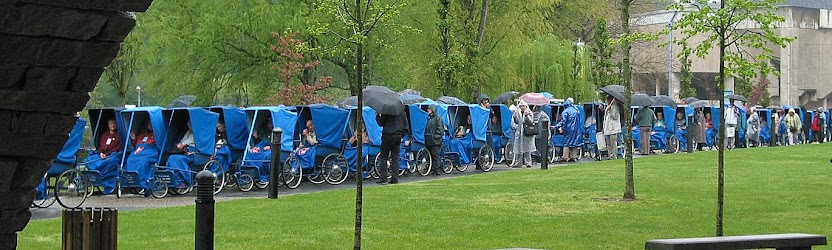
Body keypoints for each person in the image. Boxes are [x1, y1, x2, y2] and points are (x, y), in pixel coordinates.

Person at [83, 119, 122, 194]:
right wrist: (101, 153)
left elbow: (118, 148)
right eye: (111, 124)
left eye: (114, 123)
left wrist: (107, 154)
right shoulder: (105, 135)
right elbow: (101, 146)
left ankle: (104, 178)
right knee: (91, 159)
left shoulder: (119, 135)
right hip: (102, 154)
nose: (112, 125)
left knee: (111, 161)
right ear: (108, 125)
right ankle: (92, 176)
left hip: (113, 154)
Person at [125, 120, 159, 196]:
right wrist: (133, 139)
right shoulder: (142, 135)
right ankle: (133, 179)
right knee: (130, 159)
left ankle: (143, 182)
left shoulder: (157, 135)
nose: (150, 126)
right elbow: (136, 144)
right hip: (139, 151)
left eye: (151, 124)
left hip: (150, 151)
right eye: (149, 124)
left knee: (143, 162)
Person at [376, 110, 407, 184]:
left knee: (383, 157)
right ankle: (395, 178)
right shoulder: (402, 112)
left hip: (388, 135)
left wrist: (377, 115)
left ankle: (384, 178)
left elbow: (381, 123)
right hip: (398, 136)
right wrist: (402, 135)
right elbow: (406, 126)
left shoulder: (386, 111)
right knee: (395, 158)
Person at [165, 120, 197, 189]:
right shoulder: (188, 132)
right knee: (171, 158)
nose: (189, 126)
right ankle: (176, 180)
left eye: (190, 125)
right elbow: (182, 142)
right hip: (184, 152)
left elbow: (186, 143)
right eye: (188, 125)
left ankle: (185, 179)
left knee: (177, 159)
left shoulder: (197, 133)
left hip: (193, 154)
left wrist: (182, 145)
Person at [554, 98, 581, 163]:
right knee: (575, 143)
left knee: (566, 143)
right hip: (577, 129)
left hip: (568, 129)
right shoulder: (576, 110)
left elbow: (563, 121)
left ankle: (565, 157)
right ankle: (573, 157)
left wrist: (556, 126)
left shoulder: (565, 111)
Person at [510, 100, 535, 168]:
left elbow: (531, 122)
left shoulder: (529, 112)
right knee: (519, 148)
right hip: (519, 132)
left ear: (526, 106)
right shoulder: (518, 112)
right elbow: (517, 122)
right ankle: (518, 162)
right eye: (520, 106)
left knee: (528, 148)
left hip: (527, 132)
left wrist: (527, 116)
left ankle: (528, 162)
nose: (522, 107)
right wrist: (515, 116)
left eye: (523, 106)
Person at [425, 105, 445, 175]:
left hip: (435, 140)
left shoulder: (438, 118)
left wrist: (434, 136)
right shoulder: (428, 118)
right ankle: (433, 168)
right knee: (430, 155)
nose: (428, 110)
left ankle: (437, 169)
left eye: (429, 109)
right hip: (429, 140)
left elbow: (440, 130)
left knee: (435, 155)